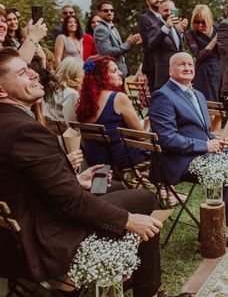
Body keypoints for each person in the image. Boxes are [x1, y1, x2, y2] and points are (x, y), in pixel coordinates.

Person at [0, 48, 166, 297]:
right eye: (23, 72)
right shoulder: (24, 130)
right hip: (45, 234)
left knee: (116, 187)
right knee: (145, 200)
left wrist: (76, 180)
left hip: (22, 225)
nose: (35, 74)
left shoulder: (10, 122)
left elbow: (27, 182)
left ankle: (126, 272)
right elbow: (69, 202)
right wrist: (129, 220)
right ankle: (147, 290)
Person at [148, 52, 228, 246]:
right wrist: (206, 145)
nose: (187, 68)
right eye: (181, 65)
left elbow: (202, 131)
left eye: (190, 64)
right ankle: (209, 232)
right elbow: (167, 139)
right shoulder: (163, 96)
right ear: (170, 70)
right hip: (177, 160)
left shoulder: (198, 94)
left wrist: (215, 140)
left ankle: (223, 216)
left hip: (201, 152)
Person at [75, 56, 149, 170]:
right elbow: (140, 136)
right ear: (102, 77)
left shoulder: (85, 101)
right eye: (114, 71)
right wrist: (148, 122)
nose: (120, 73)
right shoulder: (118, 98)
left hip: (95, 159)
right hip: (120, 158)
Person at [146, 0, 188, 90]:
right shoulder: (154, 27)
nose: (169, 13)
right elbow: (150, 47)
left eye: (171, 10)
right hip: (164, 79)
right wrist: (166, 27)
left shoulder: (176, 29)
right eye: (165, 10)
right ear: (159, 11)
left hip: (179, 78)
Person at [93, 0, 142, 77]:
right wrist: (128, 44)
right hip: (111, 73)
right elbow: (107, 53)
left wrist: (131, 44)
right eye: (106, 10)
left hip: (119, 72)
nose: (109, 12)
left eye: (112, 10)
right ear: (99, 13)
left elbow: (118, 49)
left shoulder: (113, 28)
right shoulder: (101, 29)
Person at [184, 4, 221, 102]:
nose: (200, 25)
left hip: (219, 70)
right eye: (197, 22)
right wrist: (214, 41)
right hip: (203, 72)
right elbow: (199, 56)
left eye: (203, 22)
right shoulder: (190, 33)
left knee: (222, 106)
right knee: (207, 103)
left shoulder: (217, 29)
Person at [137, 0, 165, 86]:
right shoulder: (144, 19)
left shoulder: (167, 17)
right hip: (154, 66)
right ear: (148, 2)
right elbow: (149, 44)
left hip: (168, 64)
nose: (158, 0)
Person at [43, 57, 83, 122]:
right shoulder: (71, 94)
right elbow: (71, 124)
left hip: (49, 127)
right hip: (61, 131)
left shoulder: (52, 87)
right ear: (76, 75)